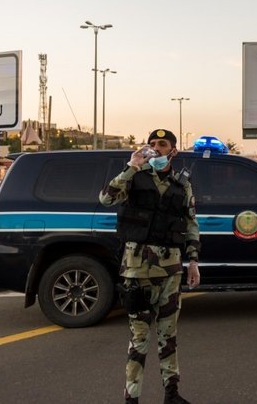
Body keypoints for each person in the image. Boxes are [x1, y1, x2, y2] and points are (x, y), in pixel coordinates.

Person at [99, 129, 200, 404]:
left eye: (162, 144)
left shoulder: (182, 185)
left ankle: (172, 395)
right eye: (152, 144)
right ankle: (131, 399)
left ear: (173, 151)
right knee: (139, 339)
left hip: (170, 270)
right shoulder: (135, 176)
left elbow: (191, 224)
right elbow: (106, 198)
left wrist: (193, 261)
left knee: (169, 337)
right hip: (137, 271)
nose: (156, 148)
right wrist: (132, 166)